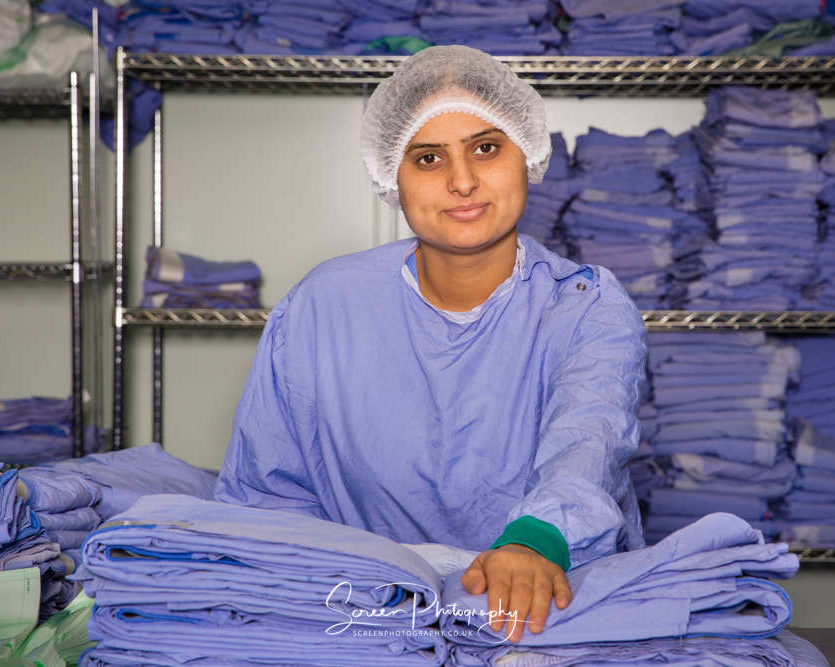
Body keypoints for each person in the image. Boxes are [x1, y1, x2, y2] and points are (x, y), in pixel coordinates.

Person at [216, 45, 647, 642]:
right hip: (361, 624)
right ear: (392, 175)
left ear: (528, 156)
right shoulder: (321, 308)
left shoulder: (585, 306)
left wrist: (535, 541)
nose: (462, 180)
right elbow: (268, 495)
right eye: (428, 158)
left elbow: (589, 438)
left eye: (487, 148)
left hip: (546, 622)